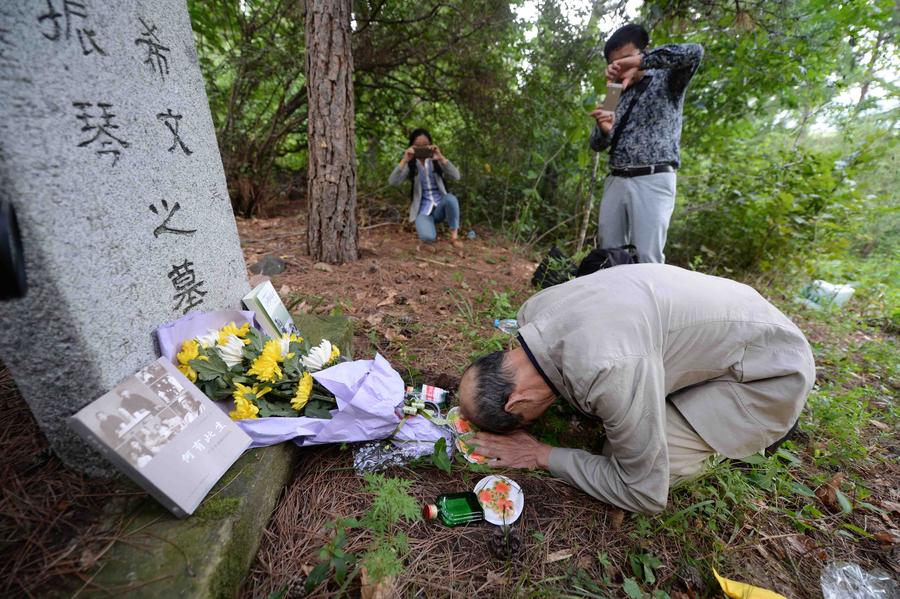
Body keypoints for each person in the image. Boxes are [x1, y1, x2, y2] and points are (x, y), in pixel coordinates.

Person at [458, 264, 815, 514]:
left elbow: (642, 491)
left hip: (769, 373)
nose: (530, 424)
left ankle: (751, 434)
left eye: (522, 420)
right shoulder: (534, 311)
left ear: (518, 399)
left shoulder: (606, 368)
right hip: (742, 321)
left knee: (619, 462)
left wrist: (540, 454)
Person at [589, 24, 703, 264]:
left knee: (648, 258)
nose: (621, 66)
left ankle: (650, 302)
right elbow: (597, 144)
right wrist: (603, 130)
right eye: (615, 62)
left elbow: (694, 52)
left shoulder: (667, 80)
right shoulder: (615, 92)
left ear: (643, 52)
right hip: (616, 179)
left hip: (653, 179)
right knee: (608, 255)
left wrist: (641, 62)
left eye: (626, 59)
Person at [388, 128, 463, 248]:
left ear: (431, 145)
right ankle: (429, 227)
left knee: (450, 199)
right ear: (412, 146)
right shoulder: (411, 165)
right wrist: (404, 160)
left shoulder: (436, 161)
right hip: (423, 211)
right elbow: (393, 182)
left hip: (441, 207)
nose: (422, 148)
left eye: (425, 145)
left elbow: (456, 176)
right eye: (418, 145)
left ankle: (454, 237)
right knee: (428, 237)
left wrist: (441, 157)